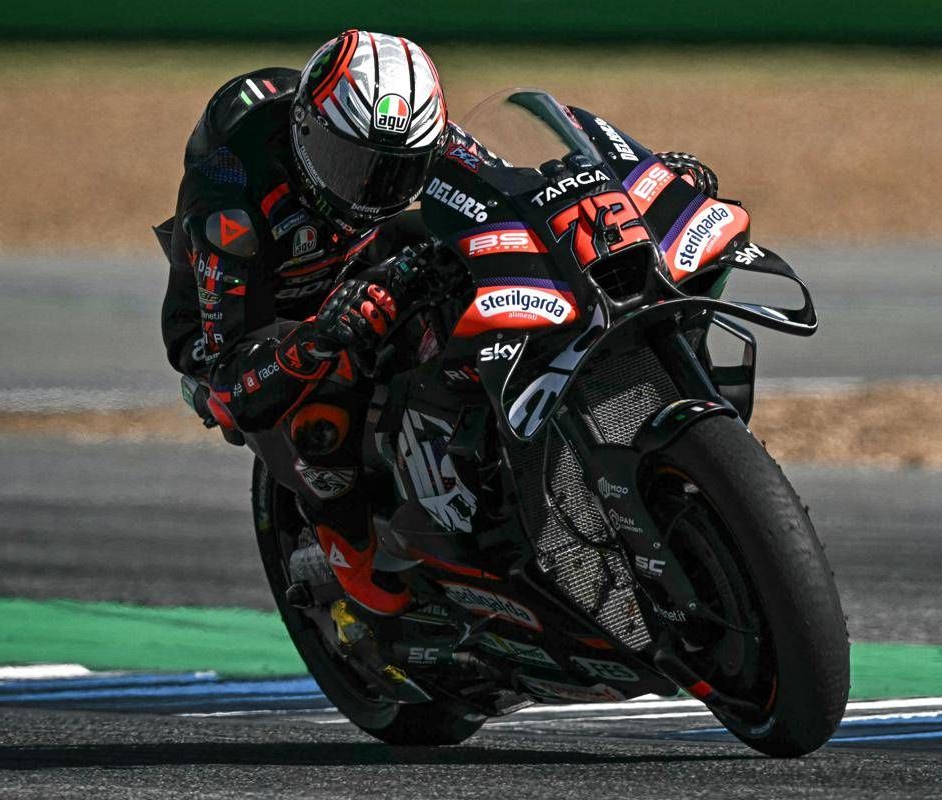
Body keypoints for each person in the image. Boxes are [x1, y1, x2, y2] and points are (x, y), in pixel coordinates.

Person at [158, 29, 719, 618]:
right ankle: (346, 549)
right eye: (352, 166)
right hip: (252, 319)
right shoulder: (231, 202)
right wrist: (319, 336)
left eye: (395, 172)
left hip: (366, 260)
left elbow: (514, 192)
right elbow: (229, 379)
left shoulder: (423, 138)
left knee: (484, 256)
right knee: (321, 412)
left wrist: (637, 193)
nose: (372, 188)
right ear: (306, 133)